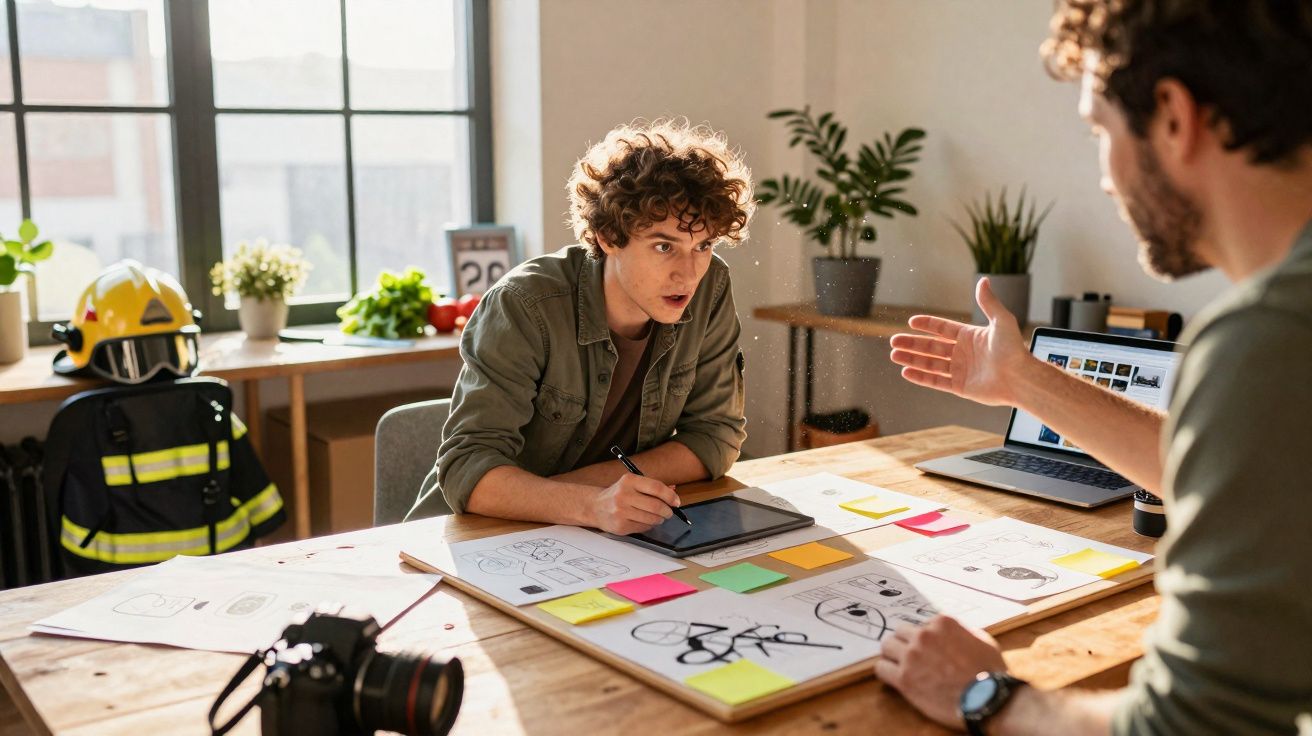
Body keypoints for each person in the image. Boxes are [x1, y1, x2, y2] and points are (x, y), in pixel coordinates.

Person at [876, 1, 1312, 734]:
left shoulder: (1267, 338)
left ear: (1174, 117)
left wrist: (983, 694)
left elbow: (1189, 727)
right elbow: (1249, 468)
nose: (1106, 178)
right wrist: (1020, 379)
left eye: (1098, 129)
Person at [407, 119, 753, 535]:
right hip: (475, 538)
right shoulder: (525, 305)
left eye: (703, 245)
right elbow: (468, 469)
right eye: (664, 246)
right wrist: (592, 505)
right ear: (609, 236)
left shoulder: (710, 284)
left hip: (599, 532)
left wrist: (598, 497)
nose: (688, 273)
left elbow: (715, 437)